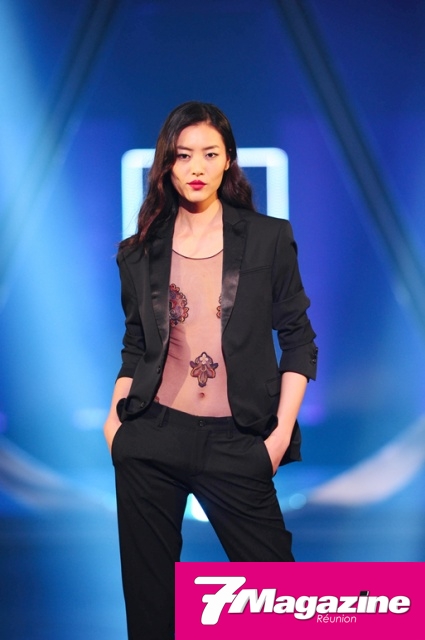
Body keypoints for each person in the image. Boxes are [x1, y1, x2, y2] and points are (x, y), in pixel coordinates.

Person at [103, 101, 317, 639]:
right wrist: (115, 426)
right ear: (166, 164)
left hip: (237, 440)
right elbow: (136, 346)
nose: (196, 167)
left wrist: (277, 439)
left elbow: (298, 340)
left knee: (284, 606)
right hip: (152, 436)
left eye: (209, 154)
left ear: (228, 160)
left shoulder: (268, 238)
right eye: (183, 155)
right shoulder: (139, 252)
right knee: (151, 615)